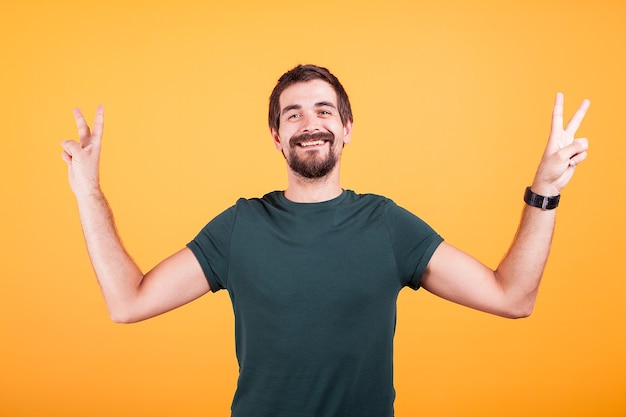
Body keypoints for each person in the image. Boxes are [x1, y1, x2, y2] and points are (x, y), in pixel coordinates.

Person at [61, 64, 590, 417]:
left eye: (323, 111)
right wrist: (87, 191)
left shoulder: (386, 225)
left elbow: (511, 297)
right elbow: (127, 303)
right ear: (276, 135)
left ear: (347, 128)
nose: (309, 123)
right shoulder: (239, 227)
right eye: (292, 114)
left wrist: (543, 191)